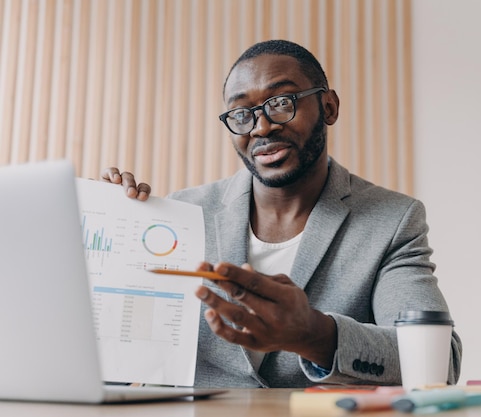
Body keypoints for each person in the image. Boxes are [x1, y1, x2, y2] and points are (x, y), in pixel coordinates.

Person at [102, 39, 462, 388]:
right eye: (242, 113)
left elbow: (438, 362)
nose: (261, 127)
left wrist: (314, 335)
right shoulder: (183, 214)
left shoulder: (392, 220)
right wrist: (102, 244)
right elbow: (115, 363)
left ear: (329, 107)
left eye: (281, 102)